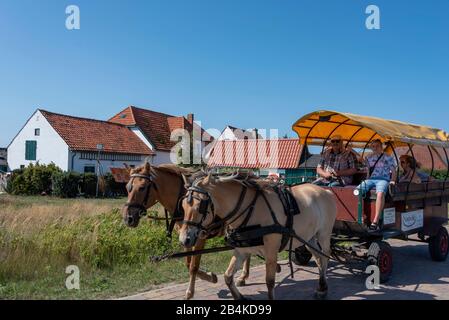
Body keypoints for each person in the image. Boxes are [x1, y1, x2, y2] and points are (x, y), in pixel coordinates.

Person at [355, 139, 398, 232]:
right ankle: (361, 216)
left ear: (381, 147)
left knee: (380, 193)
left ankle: (375, 220)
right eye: (373, 146)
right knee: (356, 191)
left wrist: (392, 181)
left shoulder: (388, 157)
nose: (375, 148)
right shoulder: (369, 157)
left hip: (383, 179)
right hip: (371, 179)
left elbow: (394, 171)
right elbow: (366, 168)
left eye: (377, 146)